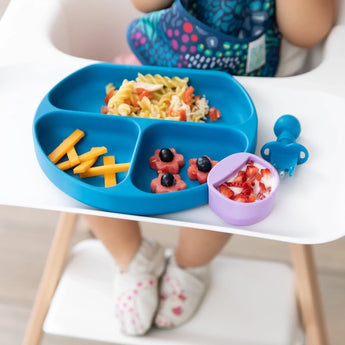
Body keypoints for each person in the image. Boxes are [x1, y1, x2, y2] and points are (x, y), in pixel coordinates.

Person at [86, 0, 337, 336]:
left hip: (247, 96)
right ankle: (133, 259)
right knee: (94, 169)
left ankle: (190, 266)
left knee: (229, 183)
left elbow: (309, 32)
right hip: (157, 76)